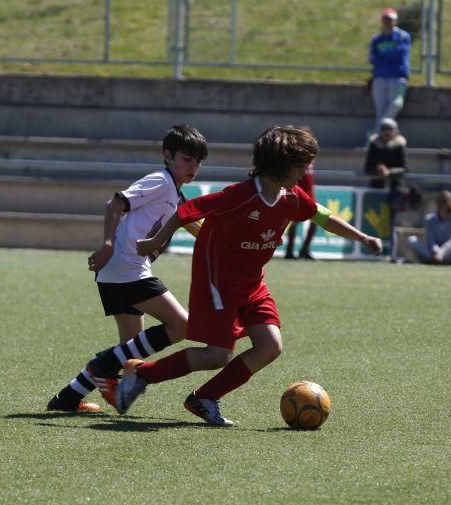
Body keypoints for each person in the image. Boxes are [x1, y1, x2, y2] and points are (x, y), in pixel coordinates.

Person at [115, 126, 382, 426]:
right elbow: (186, 211)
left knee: (270, 346)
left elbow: (324, 217)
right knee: (217, 355)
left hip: (253, 282)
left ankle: (204, 397)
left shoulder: (291, 197)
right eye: (302, 164)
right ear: (281, 166)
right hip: (218, 281)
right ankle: (142, 373)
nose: (307, 170)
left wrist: (364, 239)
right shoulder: (240, 196)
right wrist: (155, 242)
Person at [45, 125, 208, 413]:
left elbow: (199, 229)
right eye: (186, 159)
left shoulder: (176, 194)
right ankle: (100, 368)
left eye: (197, 161)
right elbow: (116, 202)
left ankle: (66, 399)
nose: (193, 166)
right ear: (167, 155)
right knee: (181, 325)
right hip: (126, 267)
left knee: (129, 348)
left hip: (117, 271)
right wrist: (107, 243)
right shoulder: (160, 181)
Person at [365, 117, 410, 258]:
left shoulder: (400, 144)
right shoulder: (375, 144)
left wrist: (389, 172)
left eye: (389, 130)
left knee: (393, 222)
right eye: (384, 130)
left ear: (395, 131)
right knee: (373, 221)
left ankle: (392, 254)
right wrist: (378, 170)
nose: (386, 133)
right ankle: (371, 252)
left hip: (394, 187)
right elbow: (367, 167)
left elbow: (404, 168)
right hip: (377, 186)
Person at [367, 7, 410, 143]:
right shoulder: (376, 39)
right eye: (385, 20)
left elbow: (400, 54)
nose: (388, 23)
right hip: (379, 77)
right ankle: (381, 139)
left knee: (396, 105)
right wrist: (389, 55)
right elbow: (372, 58)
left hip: (398, 77)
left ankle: (374, 135)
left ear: (395, 21)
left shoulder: (403, 36)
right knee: (380, 111)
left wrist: (384, 56)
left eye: (390, 20)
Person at [406, 190, 451, 265]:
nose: (441, 206)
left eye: (444, 202)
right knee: (412, 240)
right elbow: (430, 239)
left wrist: (441, 252)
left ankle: (441, 261)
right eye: (439, 202)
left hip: (447, 252)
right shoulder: (429, 219)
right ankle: (431, 260)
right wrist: (435, 251)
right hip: (431, 251)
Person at [284, 162, 317, 260]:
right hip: (300, 198)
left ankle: (304, 249)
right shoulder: (299, 165)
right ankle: (289, 251)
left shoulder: (309, 165)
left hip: (309, 198)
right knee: (293, 223)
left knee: (314, 224)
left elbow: (310, 185)